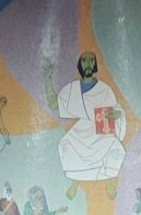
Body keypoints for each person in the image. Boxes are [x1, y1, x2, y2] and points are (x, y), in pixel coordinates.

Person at [44, 52, 127, 200]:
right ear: (80, 65)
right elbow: (53, 104)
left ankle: (108, 182)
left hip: (101, 131)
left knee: (114, 147)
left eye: (91, 61)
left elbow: (116, 109)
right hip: (81, 130)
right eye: (84, 61)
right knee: (66, 144)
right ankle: (75, 181)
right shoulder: (72, 89)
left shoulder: (104, 89)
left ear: (94, 64)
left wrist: (116, 114)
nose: (88, 64)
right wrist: (47, 78)